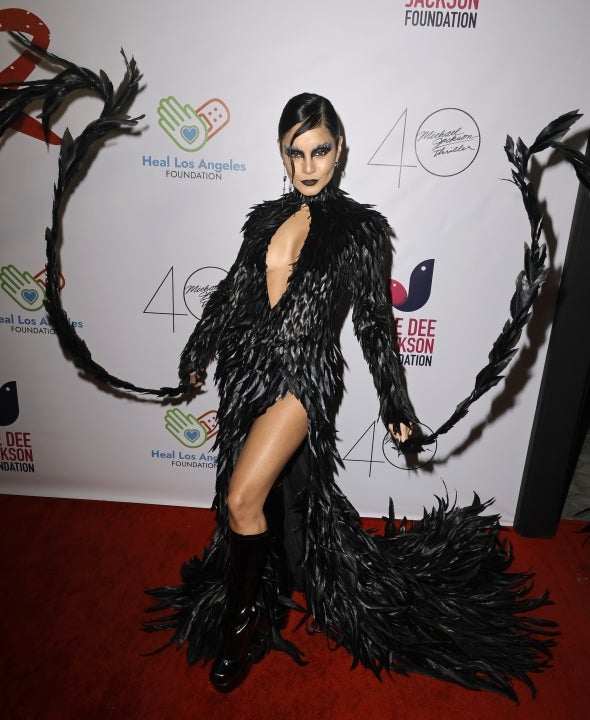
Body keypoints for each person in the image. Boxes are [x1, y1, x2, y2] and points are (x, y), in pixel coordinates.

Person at [145, 93, 554, 700]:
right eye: (296, 153)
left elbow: (374, 324)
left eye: (320, 151)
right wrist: (193, 355)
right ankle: (267, 586)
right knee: (261, 501)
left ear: (339, 151)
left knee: (241, 498)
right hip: (245, 376)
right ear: (281, 154)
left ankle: (242, 623)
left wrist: (395, 404)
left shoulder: (360, 231)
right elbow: (231, 293)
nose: (308, 166)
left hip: (302, 380)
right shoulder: (263, 220)